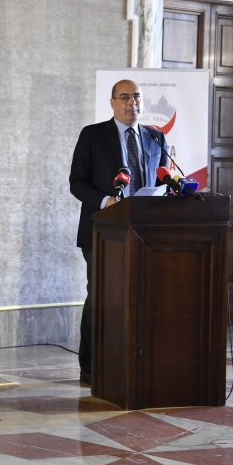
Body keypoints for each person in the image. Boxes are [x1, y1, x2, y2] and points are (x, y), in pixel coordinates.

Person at [68, 79, 169, 385]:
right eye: (124, 97)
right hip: (102, 232)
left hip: (145, 234)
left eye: (136, 97)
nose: (131, 103)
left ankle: (136, 360)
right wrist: (106, 201)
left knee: (143, 296)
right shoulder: (93, 135)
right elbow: (77, 182)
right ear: (112, 103)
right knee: (101, 296)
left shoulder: (156, 137)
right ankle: (91, 367)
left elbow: (162, 180)